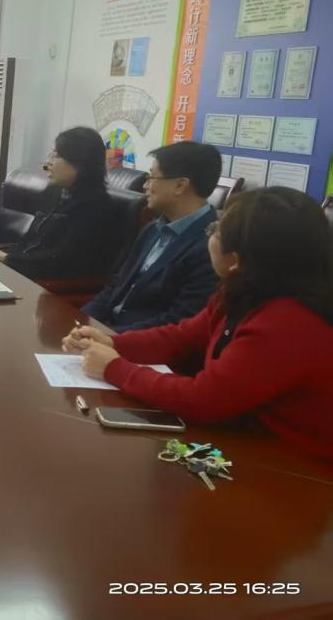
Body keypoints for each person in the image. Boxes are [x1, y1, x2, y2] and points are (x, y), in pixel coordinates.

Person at [64, 187, 333, 458]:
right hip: (247, 436)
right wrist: (113, 343)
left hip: (296, 462)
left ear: (235, 260)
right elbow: (182, 336)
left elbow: (202, 400)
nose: (209, 235)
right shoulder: (244, 292)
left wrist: (114, 368)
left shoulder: (287, 324)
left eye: (215, 230)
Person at [83, 141, 221, 331]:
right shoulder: (152, 229)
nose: (145, 185)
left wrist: (110, 338)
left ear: (180, 185)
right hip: (108, 332)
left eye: (151, 177)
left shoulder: (211, 246)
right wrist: (81, 320)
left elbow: (178, 321)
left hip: (140, 342)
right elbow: (116, 286)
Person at [0, 126, 119, 279]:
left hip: (53, 285)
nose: (48, 162)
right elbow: (34, 243)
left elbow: (61, 261)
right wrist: (5, 256)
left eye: (57, 156)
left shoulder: (95, 207)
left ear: (80, 164)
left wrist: (8, 259)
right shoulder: (58, 193)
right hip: (28, 274)